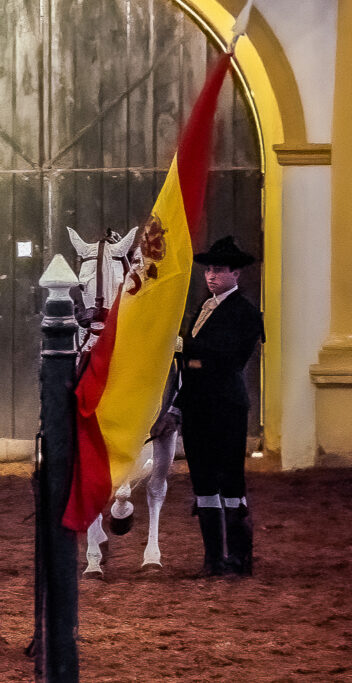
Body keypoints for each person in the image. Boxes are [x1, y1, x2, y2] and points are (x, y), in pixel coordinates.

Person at [161, 235, 264, 577]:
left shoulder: (245, 313)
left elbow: (227, 359)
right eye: (208, 270)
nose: (211, 276)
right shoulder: (204, 308)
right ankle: (214, 559)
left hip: (226, 405)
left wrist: (185, 349)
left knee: (230, 480)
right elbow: (194, 367)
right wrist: (177, 405)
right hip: (198, 405)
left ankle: (239, 559)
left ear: (236, 274)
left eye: (219, 270)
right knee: (203, 481)